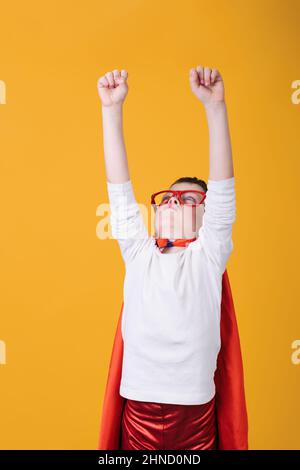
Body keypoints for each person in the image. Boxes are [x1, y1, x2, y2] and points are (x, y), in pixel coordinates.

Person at [97, 66, 237, 450]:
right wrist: (111, 110)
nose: (175, 201)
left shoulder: (208, 256)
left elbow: (223, 189)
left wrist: (215, 107)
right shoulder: (139, 252)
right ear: (156, 212)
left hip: (194, 411)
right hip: (138, 404)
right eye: (169, 197)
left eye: (189, 198)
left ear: (207, 217)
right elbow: (120, 191)